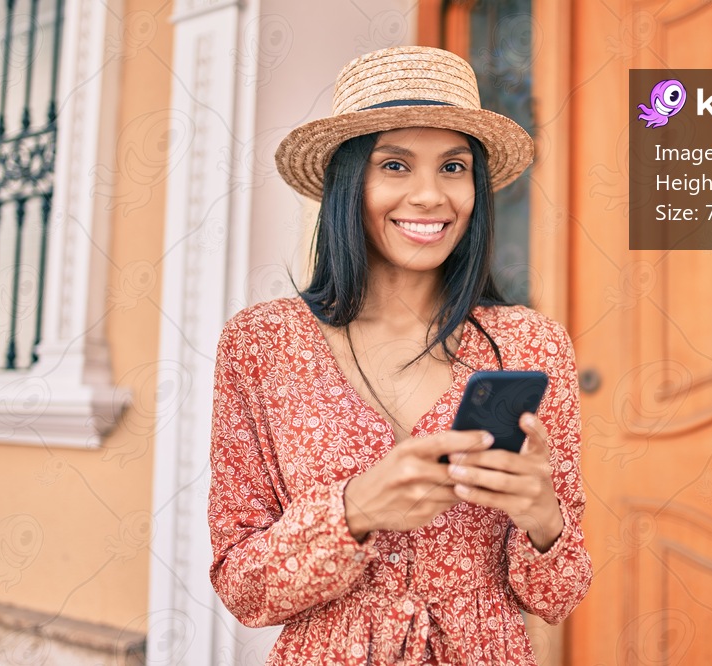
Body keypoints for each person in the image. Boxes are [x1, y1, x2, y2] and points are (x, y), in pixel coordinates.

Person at [207, 45, 592, 665]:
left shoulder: (531, 343)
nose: (430, 196)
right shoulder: (262, 344)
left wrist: (542, 516)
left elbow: (559, 595)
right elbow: (242, 588)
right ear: (347, 184)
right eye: (394, 165)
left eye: (453, 167)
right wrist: (355, 510)